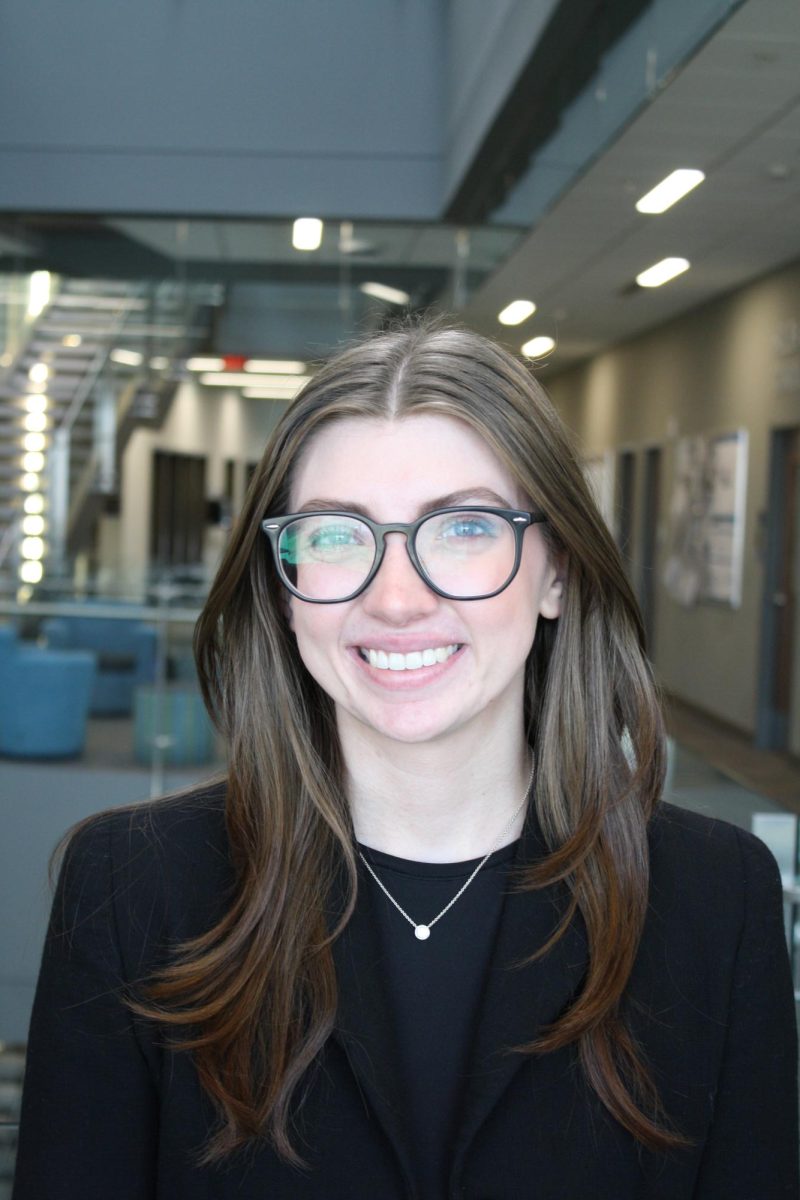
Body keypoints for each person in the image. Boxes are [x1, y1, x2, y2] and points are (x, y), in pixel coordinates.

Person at [13, 321, 799, 1199]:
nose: (396, 598)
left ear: (558, 573)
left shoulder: (715, 897)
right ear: (282, 587)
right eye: (338, 535)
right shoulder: (132, 886)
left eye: (463, 528)